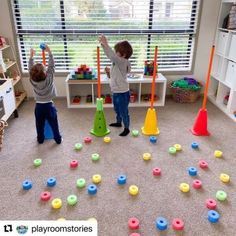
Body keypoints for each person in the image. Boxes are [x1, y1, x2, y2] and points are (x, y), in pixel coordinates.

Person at [99, 35, 133, 136]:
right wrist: (110, 73)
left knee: (123, 111)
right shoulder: (117, 62)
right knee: (116, 109)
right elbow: (115, 74)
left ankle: (126, 128)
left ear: (124, 54)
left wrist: (105, 45)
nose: (115, 53)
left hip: (122, 92)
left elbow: (111, 56)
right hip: (115, 91)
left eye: (117, 51)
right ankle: (119, 122)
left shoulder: (122, 61)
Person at [28, 45, 62, 144]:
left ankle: (40, 139)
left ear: (32, 73)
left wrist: (31, 56)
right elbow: (51, 66)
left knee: (39, 124)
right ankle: (58, 139)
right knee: (54, 124)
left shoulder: (32, 79)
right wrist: (49, 52)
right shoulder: (49, 78)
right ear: (45, 73)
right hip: (49, 106)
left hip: (38, 107)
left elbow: (30, 68)